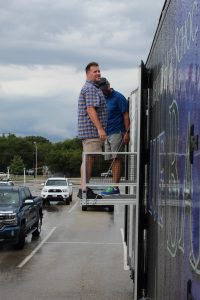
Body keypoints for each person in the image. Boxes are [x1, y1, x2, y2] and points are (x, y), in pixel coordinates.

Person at [77, 62, 107, 199]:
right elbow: (90, 109)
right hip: (91, 131)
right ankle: (84, 189)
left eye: (99, 71)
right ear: (88, 73)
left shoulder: (94, 88)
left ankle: (84, 188)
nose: (98, 74)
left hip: (90, 131)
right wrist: (100, 128)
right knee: (88, 159)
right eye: (95, 71)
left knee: (89, 159)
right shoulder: (90, 89)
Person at [98, 77, 130, 195]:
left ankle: (115, 187)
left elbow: (125, 115)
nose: (103, 91)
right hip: (107, 133)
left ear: (108, 86)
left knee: (116, 159)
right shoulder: (103, 98)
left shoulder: (118, 97)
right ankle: (113, 185)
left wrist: (127, 132)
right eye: (101, 90)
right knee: (111, 159)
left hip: (117, 131)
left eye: (104, 89)